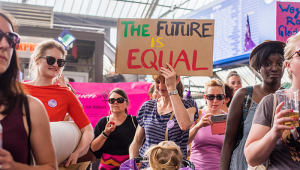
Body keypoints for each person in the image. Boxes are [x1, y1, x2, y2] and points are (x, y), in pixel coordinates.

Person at [23, 39, 94, 167]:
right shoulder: (17, 89)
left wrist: (76, 153)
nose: (56, 65)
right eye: (51, 60)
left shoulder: (66, 94)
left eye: (60, 62)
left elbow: (88, 130)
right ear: (36, 60)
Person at [0, 10, 56, 169]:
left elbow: (50, 166)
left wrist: (14, 166)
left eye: (11, 39)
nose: (5, 45)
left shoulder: (30, 107)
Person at [220, 40, 285, 170]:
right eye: (267, 63)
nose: (274, 68)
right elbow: (229, 142)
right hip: (242, 165)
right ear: (258, 68)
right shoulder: (244, 95)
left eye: (279, 63)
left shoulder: (290, 98)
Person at [244, 33, 300, 169]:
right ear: (288, 65)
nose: (273, 68)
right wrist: (274, 133)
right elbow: (251, 158)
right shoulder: (273, 102)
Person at [129, 63, 198, 169]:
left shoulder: (188, 105)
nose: (161, 87)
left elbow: (184, 125)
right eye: (157, 82)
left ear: (177, 79)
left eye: (165, 81)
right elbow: (137, 141)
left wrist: (171, 87)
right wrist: (132, 164)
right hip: (148, 166)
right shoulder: (148, 106)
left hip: (174, 167)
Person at [91, 88, 138, 169]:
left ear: (127, 103)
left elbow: (143, 145)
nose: (115, 102)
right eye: (112, 100)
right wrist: (105, 133)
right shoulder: (103, 122)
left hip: (129, 167)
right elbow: (93, 148)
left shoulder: (135, 122)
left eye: (120, 100)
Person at [188, 78, 226, 170]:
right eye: (211, 97)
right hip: (195, 167)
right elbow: (185, 141)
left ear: (224, 97)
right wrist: (198, 126)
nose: (215, 101)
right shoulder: (197, 114)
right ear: (205, 97)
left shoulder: (228, 119)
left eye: (219, 97)